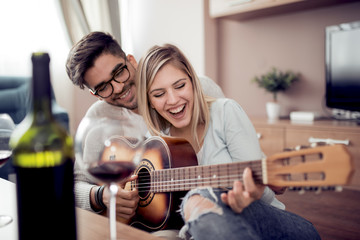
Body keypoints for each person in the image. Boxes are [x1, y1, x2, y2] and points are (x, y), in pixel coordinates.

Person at [136, 43, 321, 240]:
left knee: (199, 196)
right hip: (207, 229)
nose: (172, 100)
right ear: (150, 102)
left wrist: (254, 192)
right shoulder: (155, 145)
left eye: (180, 85)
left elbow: (262, 190)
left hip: (267, 223)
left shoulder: (226, 112)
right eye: (159, 94)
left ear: (193, 82)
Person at [65, 32, 225, 223]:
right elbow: (74, 185)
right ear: (96, 95)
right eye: (103, 87)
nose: (117, 88)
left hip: (207, 210)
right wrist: (102, 196)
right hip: (143, 224)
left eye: (118, 73)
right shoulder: (97, 119)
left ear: (131, 61)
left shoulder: (197, 91)